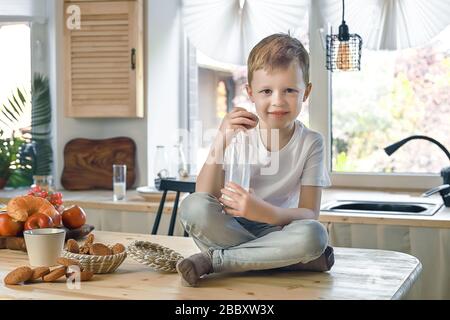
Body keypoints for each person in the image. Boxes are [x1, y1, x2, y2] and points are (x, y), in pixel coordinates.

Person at [176, 33, 334, 287]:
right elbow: (204, 195)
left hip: (277, 229)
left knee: (314, 235)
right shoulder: (239, 132)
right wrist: (220, 139)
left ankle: (217, 261)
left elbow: (309, 212)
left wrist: (265, 212)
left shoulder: (311, 142)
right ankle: (282, 260)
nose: (278, 101)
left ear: (306, 92)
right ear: (250, 93)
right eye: (266, 91)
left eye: (290, 90)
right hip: (229, 226)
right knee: (191, 206)